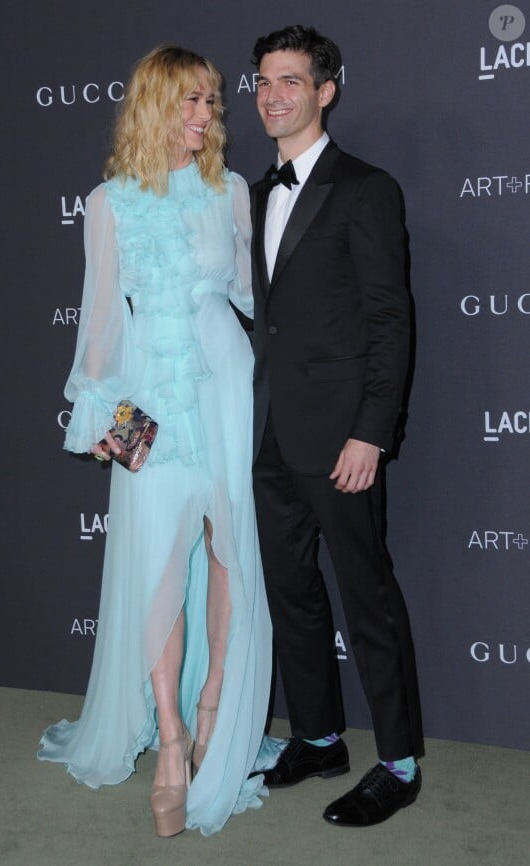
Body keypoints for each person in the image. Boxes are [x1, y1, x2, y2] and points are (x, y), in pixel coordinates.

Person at [38, 44, 272, 838]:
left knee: (227, 546)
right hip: (149, 394)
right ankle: (170, 734)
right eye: (190, 102)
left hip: (225, 381)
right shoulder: (107, 202)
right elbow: (101, 321)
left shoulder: (232, 190)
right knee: (157, 560)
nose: (206, 116)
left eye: (211, 102)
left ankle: (215, 712)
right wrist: (102, 418)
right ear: (153, 107)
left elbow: (251, 295)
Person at [250, 25, 424, 827]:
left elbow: (390, 321)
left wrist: (371, 432)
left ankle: (399, 761)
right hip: (270, 436)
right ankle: (319, 736)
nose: (272, 95)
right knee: (292, 594)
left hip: (343, 440)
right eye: (262, 81)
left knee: (367, 597)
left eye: (290, 81)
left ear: (327, 90)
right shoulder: (254, 194)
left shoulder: (366, 188)